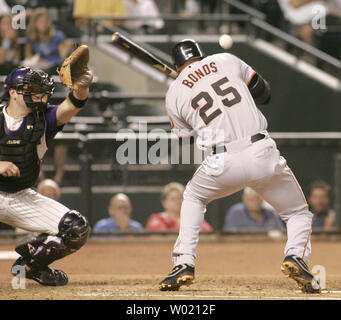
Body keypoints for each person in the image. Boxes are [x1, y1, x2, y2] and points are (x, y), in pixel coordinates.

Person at [158, 39, 320, 293]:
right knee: (298, 212)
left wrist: (184, 85)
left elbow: (185, 136)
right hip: (261, 151)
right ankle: (296, 255)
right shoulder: (225, 59)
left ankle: (184, 262)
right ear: (201, 54)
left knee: (193, 196)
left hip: (222, 161)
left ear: (176, 65)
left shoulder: (173, 92)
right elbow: (264, 93)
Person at [0, 55, 93, 286]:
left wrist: (82, 88)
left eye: (40, 90)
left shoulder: (45, 118)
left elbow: (73, 104)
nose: (38, 94)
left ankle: (32, 266)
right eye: (31, 89)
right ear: (12, 92)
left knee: (76, 229)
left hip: (21, 196)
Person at [146, 182, 213, 232]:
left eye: (180, 198)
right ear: (164, 202)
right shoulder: (157, 220)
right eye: (173, 199)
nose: (177, 202)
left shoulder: (193, 219)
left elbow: (209, 234)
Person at [24, 8, 73, 74]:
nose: (44, 24)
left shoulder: (57, 35)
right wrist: (36, 59)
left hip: (55, 68)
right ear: (34, 23)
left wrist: (67, 49)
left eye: (46, 21)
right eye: (41, 21)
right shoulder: (31, 37)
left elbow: (63, 58)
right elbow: (28, 57)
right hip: (39, 68)